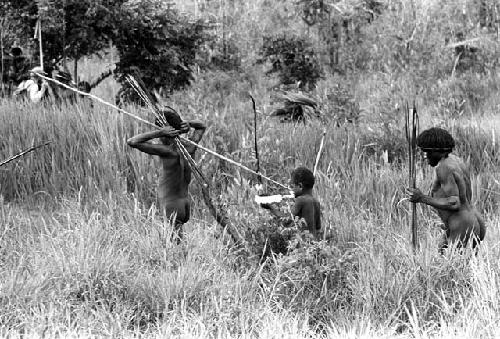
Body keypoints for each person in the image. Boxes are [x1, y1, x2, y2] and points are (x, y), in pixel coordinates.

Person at [127, 110, 206, 242]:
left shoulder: (167, 151)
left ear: (166, 133)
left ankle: (185, 261)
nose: (159, 138)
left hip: (173, 206)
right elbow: (202, 126)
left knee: (176, 248)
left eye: (161, 133)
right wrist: (188, 123)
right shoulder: (190, 146)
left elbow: (132, 141)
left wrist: (159, 132)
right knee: (178, 242)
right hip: (185, 204)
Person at [406, 127, 486, 253]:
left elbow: (454, 203)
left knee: (454, 270)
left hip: (462, 224)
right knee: (444, 258)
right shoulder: (455, 160)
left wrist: (421, 198)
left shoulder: (444, 167)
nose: (424, 156)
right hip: (471, 219)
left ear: (439, 151)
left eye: (427, 152)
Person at [261, 166, 322, 240]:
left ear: (300, 186)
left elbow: (287, 219)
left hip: (303, 246)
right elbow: (318, 228)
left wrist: (270, 205)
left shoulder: (301, 200)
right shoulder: (316, 202)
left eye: (292, 187)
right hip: (314, 246)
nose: (291, 190)